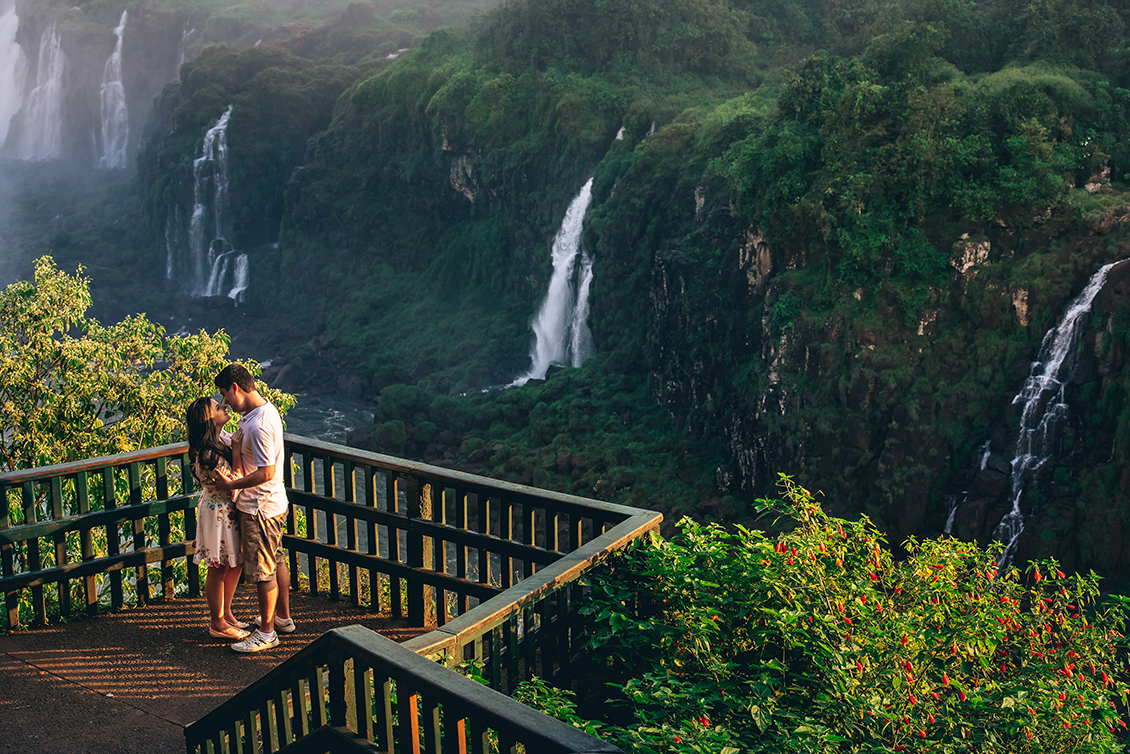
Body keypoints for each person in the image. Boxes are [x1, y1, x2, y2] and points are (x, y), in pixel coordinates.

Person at [211, 363, 295, 653]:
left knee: (263, 571)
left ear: (236, 388)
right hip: (272, 503)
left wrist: (230, 487)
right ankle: (282, 618)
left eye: (224, 394)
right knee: (276, 560)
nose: (224, 402)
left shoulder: (258, 425)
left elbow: (266, 472)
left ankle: (267, 632)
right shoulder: (263, 412)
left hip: (260, 506)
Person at [186, 396, 249, 641]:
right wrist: (235, 450)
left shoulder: (220, 440)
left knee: (235, 562)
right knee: (218, 566)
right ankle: (217, 622)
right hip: (218, 511)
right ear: (208, 419)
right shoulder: (209, 453)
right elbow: (235, 480)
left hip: (226, 508)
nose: (223, 407)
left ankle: (227, 613)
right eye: (217, 407)